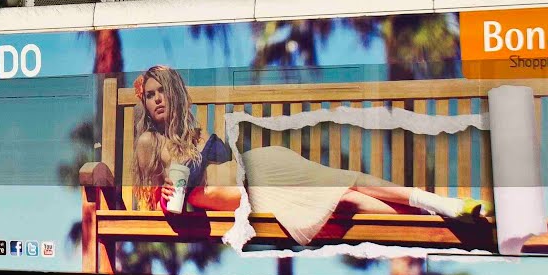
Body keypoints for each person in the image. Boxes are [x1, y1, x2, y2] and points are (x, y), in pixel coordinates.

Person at [131, 64, 486, 247]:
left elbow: (226, 168)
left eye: (163, 91)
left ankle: (441, 206)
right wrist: (167, 199)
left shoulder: (197, 135)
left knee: (347, 183)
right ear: (144, 102)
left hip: (263, 168)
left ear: (175, 94)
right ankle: (438, 215)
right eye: (149, 94)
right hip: (255, 196)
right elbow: (157, 199)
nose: (157, 99)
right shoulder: (150, 142)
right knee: (346, 196)